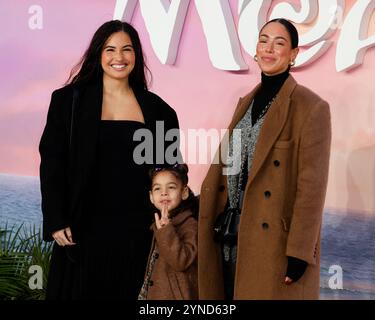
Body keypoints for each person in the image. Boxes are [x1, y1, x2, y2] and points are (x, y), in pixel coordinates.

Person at [39, 20, 181, 299]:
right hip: (80, 229)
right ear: (98, 54)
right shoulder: (68, 101)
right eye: (110, 49)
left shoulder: (160, 110)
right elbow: (52, 162)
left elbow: (168, 171)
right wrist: (56, 218)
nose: (119, 58)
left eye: (127, 50)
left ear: (136, 55)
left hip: (137, 231)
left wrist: (167, 221)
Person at [198, 18, 331, 300]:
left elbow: (312, 188)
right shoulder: (245, 102)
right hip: (229, 241)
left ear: (294, 53)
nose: (269, 48)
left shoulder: (311, 107)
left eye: (279, 43)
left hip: (272, 246)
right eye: (263, 40)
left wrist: (299, 254)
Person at [138, 163, 199, 300]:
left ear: (184, 193)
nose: (164, 192)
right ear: (151, 197)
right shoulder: (160, 224)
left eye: (171, 187)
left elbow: (182, 261)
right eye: (157, 188)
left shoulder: (190, 224)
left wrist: (166, 231)